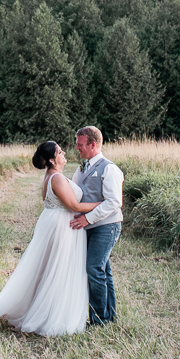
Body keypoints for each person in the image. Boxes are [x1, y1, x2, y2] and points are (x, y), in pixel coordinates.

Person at [0, 140, 102, 336]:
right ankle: (51, 316)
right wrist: (103, 203)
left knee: (50, 268)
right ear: (53, 160)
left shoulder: (53, 176)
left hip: (56, 223)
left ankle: (44, 308)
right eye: (60, 152)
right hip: (62, 227)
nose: (64, 154)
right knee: (58, 269)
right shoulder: (57, 179)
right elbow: (75, 207)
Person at [69, 125, 124, 326]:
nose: (77, 148)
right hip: (91, 227)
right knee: (102, 269)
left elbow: (114, 202)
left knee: (94, 268)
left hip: (107, 226)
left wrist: (87, 218)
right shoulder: (82, 167)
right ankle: (109, 316)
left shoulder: (109, 168)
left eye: (80, 144)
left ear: (93, 144)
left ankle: (99, 320)